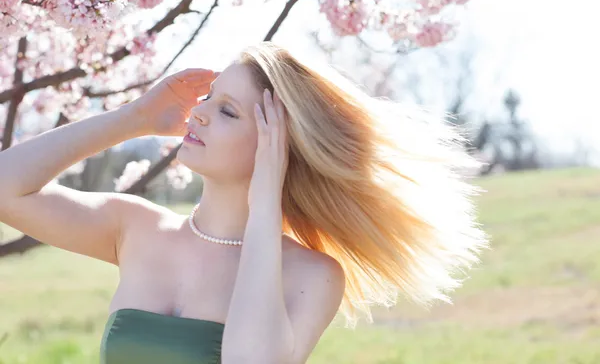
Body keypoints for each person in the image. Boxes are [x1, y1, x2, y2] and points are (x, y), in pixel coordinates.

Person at [0, 41, 488, 363]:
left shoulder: (311, 275)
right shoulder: (135, 229)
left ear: (279, 143)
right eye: (208, 98)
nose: (201, 113)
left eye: (228, 110)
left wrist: (264, 207)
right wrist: (136, 117)